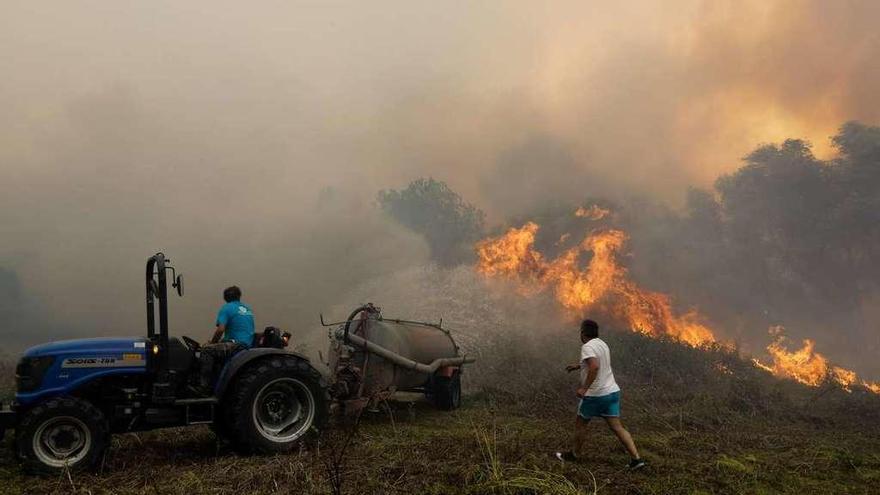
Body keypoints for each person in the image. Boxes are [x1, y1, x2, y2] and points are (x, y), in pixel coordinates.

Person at [555, 319, 646, 470]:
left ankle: (574, 455)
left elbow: (595, 366)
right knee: (617, 427)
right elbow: (596, 362)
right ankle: (637, 459)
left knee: (580, 424)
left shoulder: (587, 346)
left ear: (583, 333)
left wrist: (584, 388)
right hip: (612, 392)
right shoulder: (602, 344)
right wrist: (578, 366)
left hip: (595, 395)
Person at [198, 286, 255, 391]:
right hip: (246, 344)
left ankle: (204, 387)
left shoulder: (227, 308)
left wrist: (212, 343)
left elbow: (220, 330)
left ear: (225, 298)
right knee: (217, 347)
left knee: (206, 350)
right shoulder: (247, 309)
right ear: (239, 296)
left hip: (236, 345)